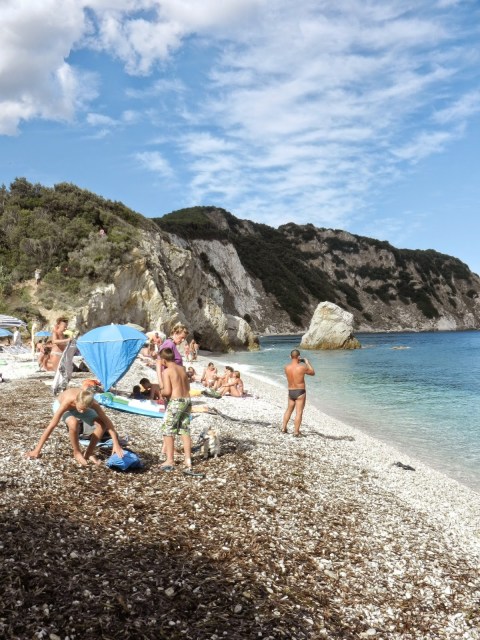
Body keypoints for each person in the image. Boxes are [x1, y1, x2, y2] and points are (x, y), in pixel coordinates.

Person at [25, 388, 124, 466]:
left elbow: (108, 422)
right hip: (60, 404)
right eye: (81, 409)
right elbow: (52, 425)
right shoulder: (67, 402)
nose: (82, 412)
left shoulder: (93, 403)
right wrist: (37, 450)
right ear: (76, 401)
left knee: (102, 424)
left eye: (85, 409)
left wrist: (116, 443)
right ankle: (77, 452)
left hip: (81, 405)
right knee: (73, 423)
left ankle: (89, 453)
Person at [156, 347, 200, 476]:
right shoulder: (182, 369)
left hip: (176, 402)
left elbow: (167, 391)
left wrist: (160, 391)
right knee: (184, 429)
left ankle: (170, 460)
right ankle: (188, 460)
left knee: (167, 429)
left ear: (163, 360)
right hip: (187, 400)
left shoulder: (167, 371)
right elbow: (187, 387)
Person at [281, 349, 315, 437]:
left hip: (291, 391)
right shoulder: (302, 367)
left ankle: (283, 428)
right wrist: (307, 362)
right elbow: (312, 372)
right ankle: (296, 432)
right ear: (299, 357)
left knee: (289, 410)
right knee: (299, 412)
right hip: (300, 391)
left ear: (290, 357)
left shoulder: (286, 367)